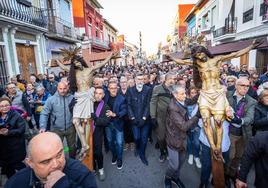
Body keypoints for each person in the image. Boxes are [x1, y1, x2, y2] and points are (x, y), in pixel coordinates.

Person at [55, 47, 115, 157]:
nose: (77, 64)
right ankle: (84, 144)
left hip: (87, 96)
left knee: (87, 122)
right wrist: (58, 61)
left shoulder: (90, 70)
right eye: (74, 63)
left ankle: (85, 146)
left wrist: (110, 56)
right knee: (75, 121)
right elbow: (63, 67)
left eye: (78, 61)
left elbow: (101, 64)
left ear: (81, 61)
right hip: (79, 97)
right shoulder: (74, 72)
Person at [5, 132, 98, 188]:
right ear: (30, 163)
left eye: (59, 155)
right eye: (46, 161)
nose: (56, 164)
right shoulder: (15, 183)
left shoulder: (81, 173)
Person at [165, 85, 200, 188]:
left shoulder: (182, 100)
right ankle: (167, 178)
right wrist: (197, 116)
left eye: (185, 93)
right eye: (182, 94)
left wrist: (200, 94)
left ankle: (175, 178)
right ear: (175, 95)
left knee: (180, 163)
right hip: (174, 139)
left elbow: (189, 101)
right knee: (174, 164)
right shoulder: (173, 108)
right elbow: (184, 126)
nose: (185, 96)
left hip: (183, 139)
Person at [226, 78, 257, 185]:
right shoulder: (227, 95)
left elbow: (250, 118)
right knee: (229, 156)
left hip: (243, 134)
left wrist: (240, 120)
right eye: (242, 85)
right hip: (228, 132)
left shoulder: (251, 101)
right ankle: (224, 175)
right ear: (236, 85)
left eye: (247, 86)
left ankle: (232, 174)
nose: (245, 88)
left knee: (238, 156)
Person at [39, 82, 76, 158]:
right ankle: (59, 163)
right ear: (57, 88)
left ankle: (73, 162)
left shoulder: (72, 98)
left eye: (64, 88)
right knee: (57, 148)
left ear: (68, 88)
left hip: (70, 128)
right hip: (57, 129)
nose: (62, 90)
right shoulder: (51, 100)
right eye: (60, 88)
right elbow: (44, 113)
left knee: (72, 148)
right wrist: (42, 126)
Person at [150, 72, 176, 162]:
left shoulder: (175, 88)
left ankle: (169, 151)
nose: (173, 81)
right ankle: (162, 152)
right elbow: (153, 102)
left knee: (170, 136)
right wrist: (153, 116)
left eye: (174, 79)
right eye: (171, 79)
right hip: (160, 117)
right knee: (161, 137)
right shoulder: (157, 88)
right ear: (166, 79)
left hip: (172, 118)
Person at [127, 74, 151, 165]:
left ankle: (142, 154)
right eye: (138, 79)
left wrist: (144, 118)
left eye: (142, 79)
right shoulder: (130, 90)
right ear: (135, 80)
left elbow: (148, 104)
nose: (140, 81)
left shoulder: (148, 89)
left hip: (145, 120)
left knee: (144, 139)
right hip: (134, 119)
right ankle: (137, 147)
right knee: (137, 137)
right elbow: (128, 105)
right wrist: (132, 117)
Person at [0, 97, 26, 178]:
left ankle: (28, 177)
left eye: (6, 105)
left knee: (17, 164)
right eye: (2, 106)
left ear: (10, 106)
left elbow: (21, 129)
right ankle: (12, 181)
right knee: (7, 167)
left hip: (15, 147)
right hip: (2, 149)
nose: (4, 108)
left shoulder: (16, 115)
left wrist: (9, 132)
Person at [104, 81, 127, 169]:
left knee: (119, 143)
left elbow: (124, 111)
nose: (113, 90)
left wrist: (114, 114)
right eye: (111, 88)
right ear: (108, 89)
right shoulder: (105, 97)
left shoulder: (122, 98)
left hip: (118, 123)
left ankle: (119, 159)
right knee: (110, 142)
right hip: (108, 124)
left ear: (117, 88)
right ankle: (114, 155)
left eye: (115, 88)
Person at [92, 87, 111, 181]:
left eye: (100, 93)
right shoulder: (89, 103)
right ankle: (93, 167)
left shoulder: (105, 107)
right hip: (87, 132)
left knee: (98, 152)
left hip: (97, 133)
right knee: (89, 151)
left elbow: (106, 122)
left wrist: (95, 118)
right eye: (96, 93)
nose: (98, 95)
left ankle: (101, 169)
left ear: (103, 95)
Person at [186, 87, 201, 169]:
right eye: (192, 93)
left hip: (197, 126)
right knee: (189, 141)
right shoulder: (186, 103)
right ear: (189, 94)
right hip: (188, 126)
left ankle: (196, 156)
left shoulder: (200, 103)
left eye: (195, 92)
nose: (194, 94)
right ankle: (190, 154)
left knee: (197, 142)